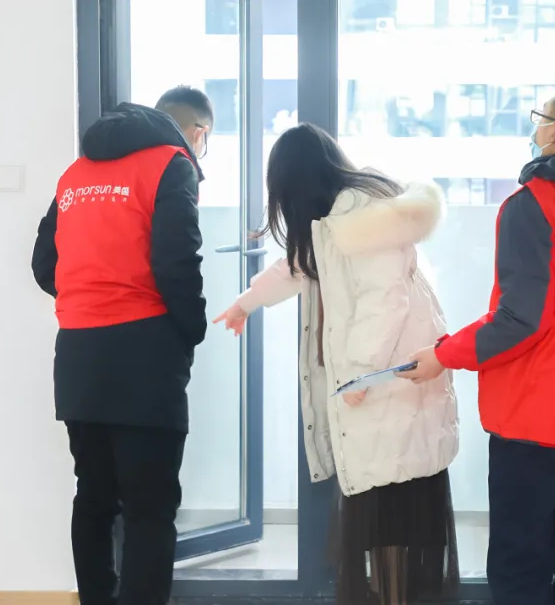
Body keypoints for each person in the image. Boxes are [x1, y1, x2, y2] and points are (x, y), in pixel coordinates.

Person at [400, 79, 555, 605]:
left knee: (521, 567)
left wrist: (444, 355)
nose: (537, 126)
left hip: (536, 418)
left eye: (543, 116)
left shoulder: (532, 204)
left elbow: (520, 319)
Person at [213, 123, 460, 605]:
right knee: (386, 526)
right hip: (382, 392)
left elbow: (383, 302)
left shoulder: (360, 218)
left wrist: (359, 374)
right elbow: (298, 265)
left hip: (387, 388)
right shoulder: (340, 217)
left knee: (392, 525)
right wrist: (246, 303)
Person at [31, 86, 211, 605]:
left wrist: (90, 299)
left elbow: (44, 265)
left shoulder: (76, 173)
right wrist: (189, 331)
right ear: (198, 133)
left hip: (78, 356)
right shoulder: (171, 164)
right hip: (145, 356)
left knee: (94, 496)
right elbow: (178, 262)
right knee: (149, 507)